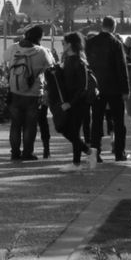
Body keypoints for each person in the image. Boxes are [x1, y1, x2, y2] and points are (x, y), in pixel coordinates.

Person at [1, 24, 54, 161]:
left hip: (15, 91)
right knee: (30, 125)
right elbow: (51, 64)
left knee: (15, 124)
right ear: (40, 37)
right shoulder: (41, 51)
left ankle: (14, 152)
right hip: (33, 93)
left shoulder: (14, 48)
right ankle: (27, 152)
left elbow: (5, 57)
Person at [84, 16, 131, 162]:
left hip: (97, 86)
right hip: (114, 87)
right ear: (114, 27)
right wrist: (125, 89)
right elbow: (121, 68)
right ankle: (119, 152)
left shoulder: (90, 42)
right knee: (118, 122)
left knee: (96, 121)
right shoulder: (116, 43)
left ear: (102, 26)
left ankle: (95, 152)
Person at [46, 32, 95, 166]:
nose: (62, 45)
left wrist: (70, 103)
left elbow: (82, 87)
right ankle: (82, 158)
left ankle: (80, 160)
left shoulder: (79, 62)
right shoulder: (68, 60)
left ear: (70, 45)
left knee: (71, 131)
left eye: (64, 43)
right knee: (67, 130)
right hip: (70, 101)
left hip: (77, 103)